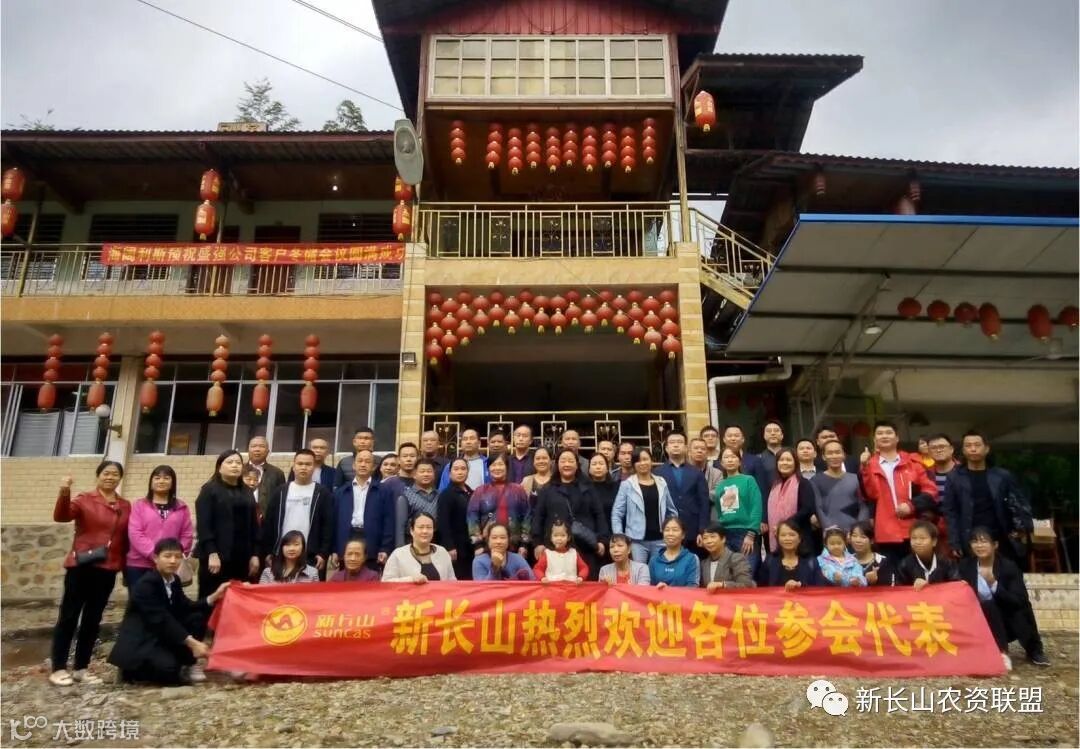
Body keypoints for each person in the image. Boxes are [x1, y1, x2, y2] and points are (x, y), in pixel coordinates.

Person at [49, 462, 132, 687]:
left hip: (107, 568)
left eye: (115, 474)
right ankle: (58, 667)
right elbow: (61, 516)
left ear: (120, 478)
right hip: (81, 566)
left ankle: (81, 668)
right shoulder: (84, 499)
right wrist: (64, 490)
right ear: (98, 476)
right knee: (69, 617)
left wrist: (125, 569)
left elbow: (125, 540)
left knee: (92, 620)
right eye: (106, 473)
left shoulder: (125, 505)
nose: (110, 477)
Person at [108, 538, 229, 686]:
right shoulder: (146, 585)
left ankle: (188, 662)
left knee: (197, 617)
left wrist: (215, 596)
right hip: (144, 638)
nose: (173, 561)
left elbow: (186, 605)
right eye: (167, 556)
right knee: (169, 670)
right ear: (155, 558)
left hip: (163, 635)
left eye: (177, 557)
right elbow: (162, 619)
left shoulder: (174, 580)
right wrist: (194, 644)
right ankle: (130, 670)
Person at [960, 526, 1050, 669]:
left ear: (995, 545)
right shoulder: (966, 566)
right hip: (980, 619)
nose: (979, 545)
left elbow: (1018, 600)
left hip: (1007, 617)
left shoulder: (1008, 567)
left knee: (1020, 608)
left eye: (984, 541)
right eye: (975, 541)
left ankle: (1033, 649)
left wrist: (993, 584)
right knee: (985, 606)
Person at [943, 430, 1033, 563]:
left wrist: (1020, 529)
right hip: (969, 537)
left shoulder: (1002, 476)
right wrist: (954, 542)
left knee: (1005, 572)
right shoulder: (954, 477)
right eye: (968, 445)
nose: (973, 449)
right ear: (963, 450)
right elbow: (951, 512)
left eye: (977, 445)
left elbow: (1018, 504)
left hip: (1001, 537)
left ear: (987, 448)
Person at [859, 421, 939, 566]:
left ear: (897, 438)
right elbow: (871, 494)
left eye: (889, 433)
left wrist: (911, 506)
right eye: (880, 433)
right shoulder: (869, 465)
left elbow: (931, 491)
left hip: (914, 531)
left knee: (916, 573)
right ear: (874, 439)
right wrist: (865, 467)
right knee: (890, 574)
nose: (884, 436)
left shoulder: (913, 463)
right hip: (886, 532)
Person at [195, 450, 260, 600]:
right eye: (230, 462)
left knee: (239, 600)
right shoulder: (209, 490)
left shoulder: (247, 491)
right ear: (219, 467)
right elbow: (204, 525)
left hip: (242, 557)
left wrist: (255, 554)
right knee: (214, 599)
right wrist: (212, 553)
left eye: (238, 463)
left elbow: (254, 526)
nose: (234, 466)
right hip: (216, 558)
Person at [533, 449, 607, 578]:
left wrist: (602, 540)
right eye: (563, 461)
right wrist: (538, 543)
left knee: (585, 583)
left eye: (570, 461)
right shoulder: (548, 489)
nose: (567, 464)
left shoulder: (588, 487)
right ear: (557, 464)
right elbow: (539, 516)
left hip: (584, 545)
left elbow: (599, 514)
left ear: (577, 465)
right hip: (555, 547)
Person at [261, 449, 335, 578]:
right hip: (281, 554)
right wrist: (268, 551)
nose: (303, 467)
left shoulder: (322, 493)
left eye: (308, 464)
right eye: (300, 464)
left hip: (311, 556)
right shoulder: (280, 491)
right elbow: (269, 523)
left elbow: (328, 526)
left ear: (314, 467)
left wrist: (323, 553)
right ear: (293, 466)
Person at [125, 465, 193, 590]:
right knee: (140, 599)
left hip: (170, 565)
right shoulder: (139, 505)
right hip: (139, 565)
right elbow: (135, 533)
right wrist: (156, 555)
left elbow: (187, 535)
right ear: (151, 482)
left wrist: (173, 556)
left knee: (167, 599)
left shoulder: (181, 507)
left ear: (172, 483)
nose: (161, 481)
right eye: (157, 478)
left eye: (166, 478)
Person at [610, 447, 677, 564]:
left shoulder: (661, 482)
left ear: (651, 460)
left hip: (660, 539)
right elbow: (617, 513)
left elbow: (672, 511)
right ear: (634, 464)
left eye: (645, 459)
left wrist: (671, 531)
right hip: (636, 541)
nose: (642, 463)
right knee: (639, 573)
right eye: (638, 460)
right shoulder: (627, 484)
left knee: (659, 572)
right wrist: (619, 536)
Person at [332, 449, 392, 570]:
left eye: (367, 461)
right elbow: (334, 522)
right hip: (347, 539)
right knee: (347, 578)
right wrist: (334, 550)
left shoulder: (383, 490)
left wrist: (385, 548)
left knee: (371, 578)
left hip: (372, 540)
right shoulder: (341, 492)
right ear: (354, 465)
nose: (363, 464)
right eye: (360, 461)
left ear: (374, 467)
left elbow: (389, 520)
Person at [655, 430, 711, 554]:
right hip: (667, 529)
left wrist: (702, 530)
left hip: (693, 530)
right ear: (666, 448)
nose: (676, 445)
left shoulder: (696, 472)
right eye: (672, 442)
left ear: (686, 447)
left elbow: (704, 503)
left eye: (679, 442)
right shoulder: (657, 473)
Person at [712, 446, 762, 576]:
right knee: (728, 573)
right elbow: (719, 510)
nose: (730, 460)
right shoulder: (720, 485)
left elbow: (756, 506)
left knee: (746, 572)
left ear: (739, 461)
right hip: (726, 533)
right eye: (726, 457)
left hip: (745, 532)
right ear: (721, 463)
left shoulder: (748, 480)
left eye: (733, 457)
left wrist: (751, 534)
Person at [466, 454, 531, 553]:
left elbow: (527, 517)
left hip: (514, 547)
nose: (497, 468)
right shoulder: (480, 491)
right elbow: (472, 518)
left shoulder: (518, 490)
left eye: (500, 464)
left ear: (507, 467)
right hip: (486, 547)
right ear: (488, 469)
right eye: (493, 465)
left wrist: (524, 544)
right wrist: (477, 545)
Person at [764, 448, 817, 556]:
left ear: (795, 463)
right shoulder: (774, 485)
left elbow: (807, 509)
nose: (785, 463)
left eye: (788, 460)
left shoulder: (803, 483)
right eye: (781, 460)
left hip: (800, 538)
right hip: (776, 537)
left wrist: (785, 525)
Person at [810, 440, 868, 535]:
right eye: (830, 453)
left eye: (837, 452)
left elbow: (863, 506)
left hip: (854, 533)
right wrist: (830, 529)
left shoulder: (855, 479)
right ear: (824, 457)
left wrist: (858, 529)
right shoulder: (816, 480)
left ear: (843, 455)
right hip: (830, 534)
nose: (834, 456)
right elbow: (818, 508)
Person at [382, 512, 456, 582]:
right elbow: (386, 583)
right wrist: (410, 579)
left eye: (429, 527)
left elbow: (452, 582)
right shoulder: (398, 554)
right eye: (421, 527)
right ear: (411, 530)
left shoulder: (442, 552)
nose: (425, 531)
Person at [757, 520, 825, 589]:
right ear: (778, 538)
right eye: (783, 535)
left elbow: (820, 587)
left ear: (799, 539)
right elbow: (761, 588)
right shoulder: (770, 560)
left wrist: (800, 586)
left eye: (792, 535)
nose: (787, 538)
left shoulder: (811, 561)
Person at [437, 457, 475, 580]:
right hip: (456, 547)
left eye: (463, 469)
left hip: (471, 545)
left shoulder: (471, 492)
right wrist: (449, 546)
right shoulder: (446, 495)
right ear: (450, 473)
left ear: (468, 472)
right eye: (456, 469)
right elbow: (443, 523)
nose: (460, 472)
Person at [896, 520, 959, 588]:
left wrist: (930, 586)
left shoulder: (946, 563)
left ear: (934, 541)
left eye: (922, 538)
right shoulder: (905, 564)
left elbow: (957, 586)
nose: (917, 542)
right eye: (914, 538)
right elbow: (899, 590)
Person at [394, 459, 440, 548]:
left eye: (429, 471)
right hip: (411, 543)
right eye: (422, 471)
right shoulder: (405, 496)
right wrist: (400, 549)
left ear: (434, 475)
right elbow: (400, 527)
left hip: (436, 543)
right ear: (414, 475)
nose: (426, 474)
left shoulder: (440, 495)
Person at [699, 523, 753, 590]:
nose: (709, 541)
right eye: (705, 538)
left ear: (723, 539)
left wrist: (722, 585)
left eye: (713, 536)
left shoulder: (736, 558)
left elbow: (746, 584)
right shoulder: (704, 564)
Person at [649, 518, 700, 589]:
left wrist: (670, 590)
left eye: (675, 530)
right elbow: (651, 588)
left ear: (683, 535)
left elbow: (693, 587)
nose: (670, 534)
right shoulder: (654, 560)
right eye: (667, 530)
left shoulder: (692, 558)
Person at [245, 436, 286, 518]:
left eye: (261, 446)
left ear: (268, 451)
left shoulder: (277, 473)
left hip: (267, 519)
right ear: (248, 450)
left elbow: (281, 500)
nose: (257, 449)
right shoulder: (239, 471)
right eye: (254, 446)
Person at [723, 424, 768, 498]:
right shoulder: (718, 463)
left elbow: (762, 489)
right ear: (724, 439)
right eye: (729, 436)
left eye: (736, 435)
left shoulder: (755, 460)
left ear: (743, 439)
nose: (733, 438)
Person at [849, 521, 895, 586]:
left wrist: (874, 582)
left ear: (872, 540)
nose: (858, 540)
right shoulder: (846, 561)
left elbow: (890, 588)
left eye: (863, 537)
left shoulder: (882, 561)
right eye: (854, 536)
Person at [586, 454, 619, 530]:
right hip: (589, 533)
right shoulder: (583, 488)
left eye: (601, 464)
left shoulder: (617, 487)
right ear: (589, 469)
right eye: (594, 464)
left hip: (613, 531)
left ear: (607, 468)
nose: (598, 467)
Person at [927, 433, 959, 499]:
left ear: (951, 449)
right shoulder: (926, 474)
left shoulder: (963, 471)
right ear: (929, 452)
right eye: (933, 448)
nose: (938, 450)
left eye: (942, 447)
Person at [758, 420, 785, 485]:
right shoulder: (758, 459)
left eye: (776, 431)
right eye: (769, 431)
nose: (773, 433)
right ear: (764, 436)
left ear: (782, 435)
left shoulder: (792, 456)